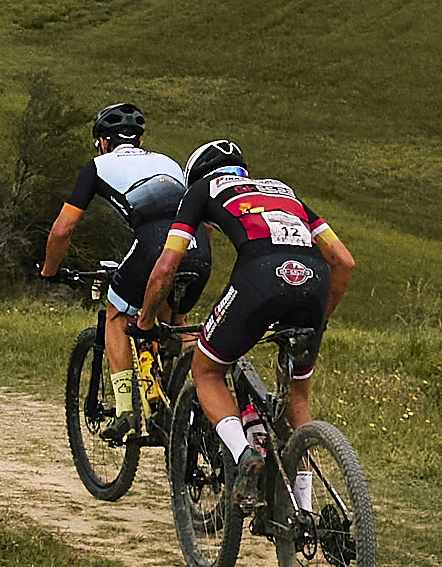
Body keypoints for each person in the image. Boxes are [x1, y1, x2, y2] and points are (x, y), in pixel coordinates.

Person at [141, 139, 357, 506]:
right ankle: (303, 511)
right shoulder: (283, 191)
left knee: (207, 370)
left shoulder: (203, 189)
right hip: (314, 282)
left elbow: (166, 266)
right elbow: (344, 262)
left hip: (259, 278)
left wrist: (146, 320)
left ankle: (245, 454)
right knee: (297, 402)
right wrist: (318, 322)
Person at [34, 101, 195, 441]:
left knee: (117, 313)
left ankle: (126, 413)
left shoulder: (98, 165)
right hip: (195, 249)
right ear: (139, 140)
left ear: (103, 142)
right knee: (175, 321)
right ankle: (193, 403)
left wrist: (49, 271)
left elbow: (62, 230)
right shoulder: (168, 162)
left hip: (154, 248)